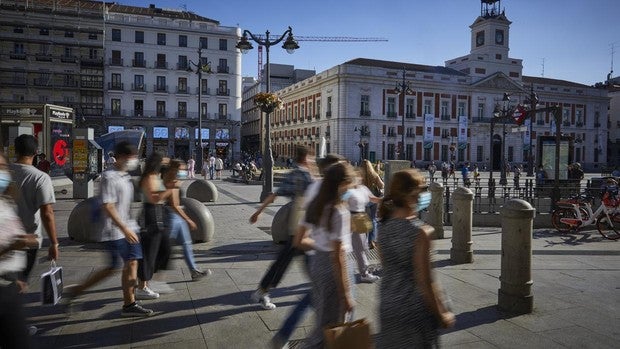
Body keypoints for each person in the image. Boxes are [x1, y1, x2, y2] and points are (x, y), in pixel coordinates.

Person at [65, 141, 154, 317]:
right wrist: (124, 228)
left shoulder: (124, 176)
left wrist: (131, 227)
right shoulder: (109, 177)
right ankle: (76, 291)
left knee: (132, 262)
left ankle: (130, 304)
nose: (134, 161)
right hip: (113, 230)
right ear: (119, 157)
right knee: (113, 267)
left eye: (135, 157)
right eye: (131, 157)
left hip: (128, 228)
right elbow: (109, 206)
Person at [271, 154, 345, 349]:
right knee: (325, 309)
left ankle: (284, 335)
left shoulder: (314, 189)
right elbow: (336, 251)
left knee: (315, 298)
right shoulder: (332, 201)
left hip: (316, 256)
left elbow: (301, 234)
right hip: (326, 258)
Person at [377, 169, 455, 348]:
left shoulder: (383, 227)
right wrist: (441, 313)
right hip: (413, 310)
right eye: (422, 188)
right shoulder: (420, 232)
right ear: (412, 194)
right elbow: (425, 281)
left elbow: (385, 265)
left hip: (388, 304)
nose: (424, 194)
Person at [298, 162, 356, 348]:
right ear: (340, 184)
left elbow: (299, 240)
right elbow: (338, 256)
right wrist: (346, 294)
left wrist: (321, 246)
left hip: (316, 263)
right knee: (330, 324)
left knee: (323, 316)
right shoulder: (339, 211)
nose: (350, 188)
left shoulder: (315, 205)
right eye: (349, 184)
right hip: (332, 269)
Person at [249, 145, 313, 310]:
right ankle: (262, 291)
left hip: (298, 226)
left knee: (302, 260)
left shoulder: (294, 174)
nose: (312, 160)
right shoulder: (304, 175)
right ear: (305, 158)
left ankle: (319, 290)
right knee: (284, 262)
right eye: (310, 157)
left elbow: (274, 195)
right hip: (301, 227)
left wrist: (259, 212)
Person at [10, 134, 59, 292]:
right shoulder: (40, 177)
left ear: (15, 151)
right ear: (36, 152)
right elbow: (47, 213)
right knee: (19, 284)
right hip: (27, 240)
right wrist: (54, 243)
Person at [0, 152, 39, 348]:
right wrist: (13, 245)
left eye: (2, 167)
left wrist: (15, 278)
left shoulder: (5, 201)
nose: (1, 172)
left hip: (8, 284)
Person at [161, 160, 210, 280]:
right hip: (170, 216)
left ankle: (194, 271)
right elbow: (174, 205)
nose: (184, 171)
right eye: (182, 169)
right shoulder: (170, 182)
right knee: (163, 247)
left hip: (177, 217)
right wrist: (188, 220)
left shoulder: (174, 181)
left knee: (186, 244)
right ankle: (149, 276)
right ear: (174, 170)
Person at [136, 153, 172, 300]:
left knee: (165, 249)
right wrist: (170, 189)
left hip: (159, 214)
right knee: (148, 253)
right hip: (151, 216)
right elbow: (154, 198)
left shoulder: (156, 175)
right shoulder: (149, 177)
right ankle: (142, 286)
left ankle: (155, 280)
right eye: (162, 161)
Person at [347, 172, 381, 283]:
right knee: (360, 246)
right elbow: (341, 202)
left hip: (362, 217)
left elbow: (372, 198)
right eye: (355, 177)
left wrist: (384, 199)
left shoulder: (363, 188)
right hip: (353, 217)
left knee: (364, 245)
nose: (358, 178)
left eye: (359, 176)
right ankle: (364, 273)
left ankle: (365, 269)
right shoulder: (349, 191)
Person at [360, 159, 384, 250]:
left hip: (363, 200)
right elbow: (382, 185)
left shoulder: (360, 176)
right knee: (373, 219)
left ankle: (364, 241)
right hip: (374, 200)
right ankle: (371, 241)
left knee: (364, 220)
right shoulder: (375, 175)